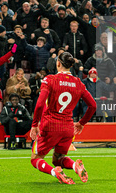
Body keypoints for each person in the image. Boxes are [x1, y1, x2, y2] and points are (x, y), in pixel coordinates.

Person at [30, 52, 97, 184]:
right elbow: (93, 106)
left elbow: (39, 104)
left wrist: (34, 124)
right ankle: (74, 166)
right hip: (68, 127)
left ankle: (55, 172)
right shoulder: (78, 83)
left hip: (50, 125)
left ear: (58, 63)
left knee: (35, 158)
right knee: (57, 159)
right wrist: (81, 123)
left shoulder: (50, 80)